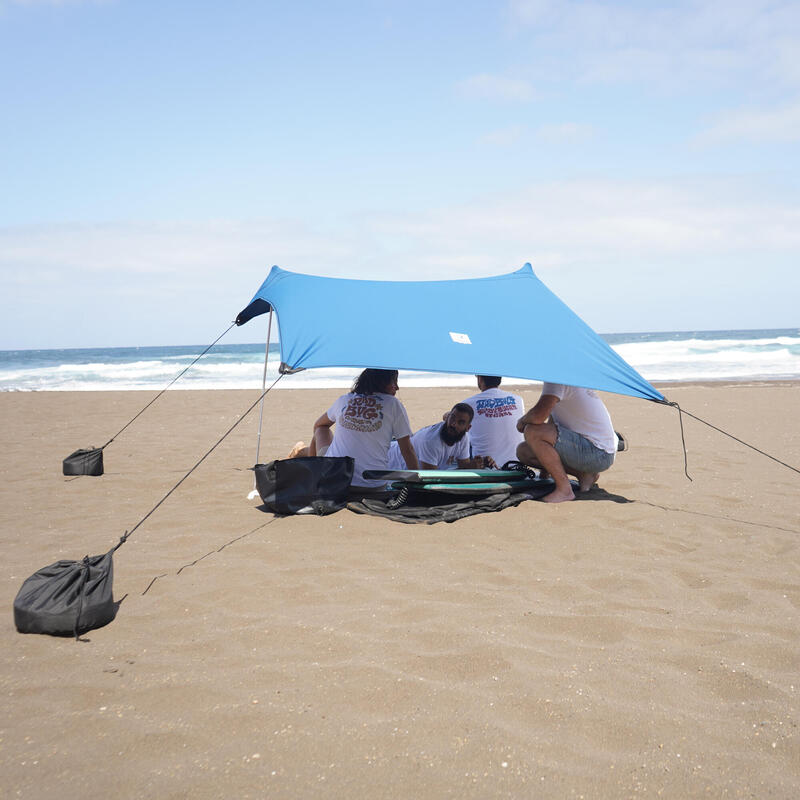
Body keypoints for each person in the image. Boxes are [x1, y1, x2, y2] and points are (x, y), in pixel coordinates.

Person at [294, 368, 419, 489]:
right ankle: (301, 453)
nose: (397, 387)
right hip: (374, 486)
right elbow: (407, 449)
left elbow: (318, 425)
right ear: (381, 382)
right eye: (394, 382)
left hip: (334, 482)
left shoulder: (344, 400)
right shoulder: (393, 404)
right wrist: (417, 481)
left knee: (321, 430)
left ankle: (312, 473)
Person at [515, 382, 617, 503]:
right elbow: (551, 426)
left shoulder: (555, 380)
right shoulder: (567, 379)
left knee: (532, 431)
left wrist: (521, 422)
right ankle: (584, 475)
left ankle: (564, 490)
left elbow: (538, 416)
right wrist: (544, 473)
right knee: (524, 451)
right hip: (601, 452)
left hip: (597, 452)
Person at [386, 403, 497, 471]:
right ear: (448, 417)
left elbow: (463, 465)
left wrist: (479, 463)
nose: (454, 424)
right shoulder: (431, 441)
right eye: (452, 418)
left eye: (460, 422)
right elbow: (430, 478)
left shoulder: (464, 438)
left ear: (468, 428)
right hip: (389, 461)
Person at [461, 376, 525, 468]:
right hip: (518, 464)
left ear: (480, 379)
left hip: (488, 465)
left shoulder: (468, 403)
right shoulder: (518, 400)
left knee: (464, 432)